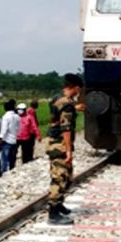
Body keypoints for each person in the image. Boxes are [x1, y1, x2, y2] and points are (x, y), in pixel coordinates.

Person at [46, 73, 84, 225]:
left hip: (53, 143)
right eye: (78, 89)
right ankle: (53, 213)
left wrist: (75, 108)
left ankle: (59, 203)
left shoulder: (58, 99)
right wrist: (68, 150)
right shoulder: (67, 104)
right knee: (60, 177)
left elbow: (59, 111)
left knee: (67, 176)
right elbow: (66, 128)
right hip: (60, 144)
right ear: (75, 88)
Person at [0, 99, 21, 173]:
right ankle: (12, 170)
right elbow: (18, 128)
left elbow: (4, 128)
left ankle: (4, 172)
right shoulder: (17, 116)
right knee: (12, 158)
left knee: (4, 158)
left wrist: (0, 137)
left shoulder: (5, 117)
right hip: (15, 139)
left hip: (7, 140)